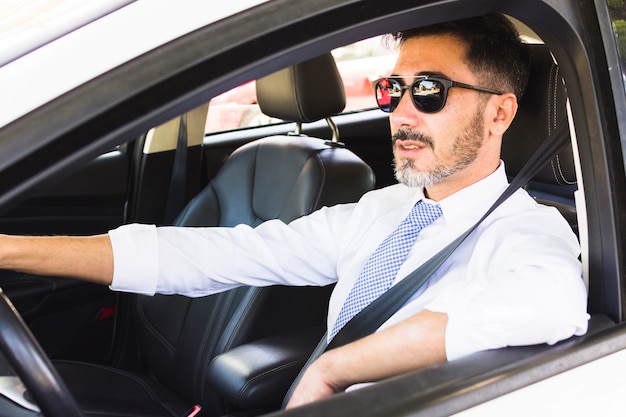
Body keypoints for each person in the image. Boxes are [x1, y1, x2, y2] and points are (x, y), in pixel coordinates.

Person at [0, 13, 588, 409]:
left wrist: (335, 369)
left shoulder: (525, 232)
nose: (401, 113)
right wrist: (13, 251)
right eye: (392, 91)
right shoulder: (383, 210)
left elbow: (550, 304)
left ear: (500, 114)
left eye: (429, 91)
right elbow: (217, 254)